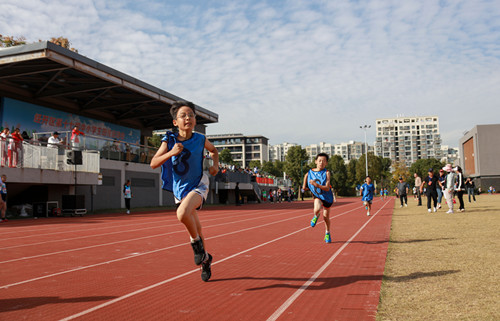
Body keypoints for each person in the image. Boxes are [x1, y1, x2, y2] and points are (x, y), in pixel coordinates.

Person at [150, 100, 219, 282]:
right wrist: (171, 153)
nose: (187, 118)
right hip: (179, 189)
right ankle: (205, 259)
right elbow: (153, 163)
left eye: (191, 115)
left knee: (182, 214)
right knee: (196, 227)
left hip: (198, 184)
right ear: (175, 122)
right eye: (183, 115)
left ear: (195, 120)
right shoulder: (169, 140)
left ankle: (197, 246)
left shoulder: (200, 139)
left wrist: (215, 166)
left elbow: (214, 151)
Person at [302, 153, 334, 243]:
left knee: (326, 217)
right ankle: (316, 215)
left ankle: (327, 233)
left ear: (326, 163)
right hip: (317, 195)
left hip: (327, 197)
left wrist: (317, 185)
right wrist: (304, 186)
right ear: (316, 161)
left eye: (324, 161)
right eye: (319, 161)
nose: (321, 163)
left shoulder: (327, 173)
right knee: (316, 209)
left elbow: (327, 188)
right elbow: (306, 176)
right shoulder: (310, 172)